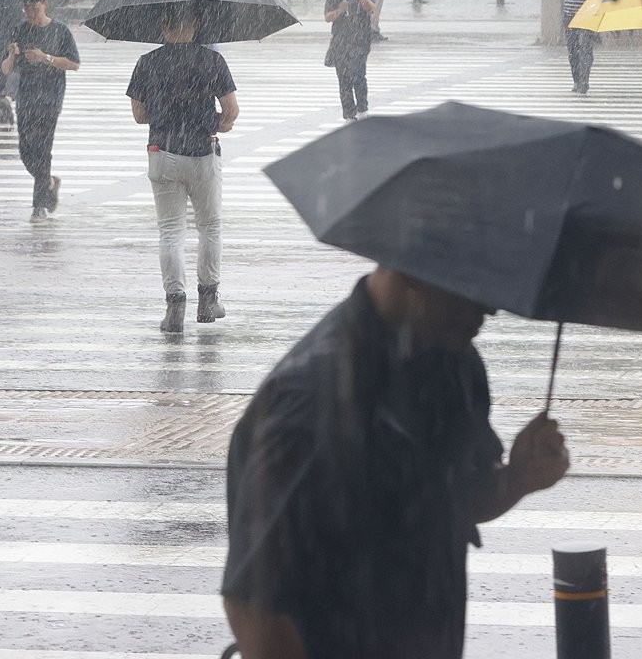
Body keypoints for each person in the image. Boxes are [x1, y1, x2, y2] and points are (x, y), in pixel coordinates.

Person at [221, 268, 570, 659]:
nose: (491, 309)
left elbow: (463, 500)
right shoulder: (312, 400)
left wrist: (518, 478)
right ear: (413, 272)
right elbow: (253, 603)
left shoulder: (454, 364)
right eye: (473, 287)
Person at [126, 6, 239, 332]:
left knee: (171, 231)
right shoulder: (211, 60)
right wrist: (216, 122)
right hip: (203, 151)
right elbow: (232, 110)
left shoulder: (148, 62)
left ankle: (175, 306)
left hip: (163, 152)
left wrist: (166, 115)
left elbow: (138, 114)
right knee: (210, 227)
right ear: (197, 24)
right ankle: (208, 301)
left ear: (162, 25)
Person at [1, 0, 80, 224]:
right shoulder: (20, 30)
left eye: (34, 8)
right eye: (26, 9)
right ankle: (49, 182)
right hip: (26, 98)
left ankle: (39, 205)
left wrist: (45, 57)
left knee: (43, 150)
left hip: (50, 99)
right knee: (26, 151)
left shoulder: (60, 31)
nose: (30, 14)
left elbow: (74, 64)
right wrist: (12, 55)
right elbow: (5, 70)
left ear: (44, 4)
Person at [324, 0, 377, 124]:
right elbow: (327, 17)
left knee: (359, 76)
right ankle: (349, 114)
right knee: (344, 80)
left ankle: (362, 109)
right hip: (341, 42)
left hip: (360, 41)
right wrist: (340, 10)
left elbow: (371, 9)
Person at [555, 0, 603, 95]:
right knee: (573, 50)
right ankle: (576, 80)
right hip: (570, 15)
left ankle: (584, 82)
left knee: (586, 48)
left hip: (588, 16)